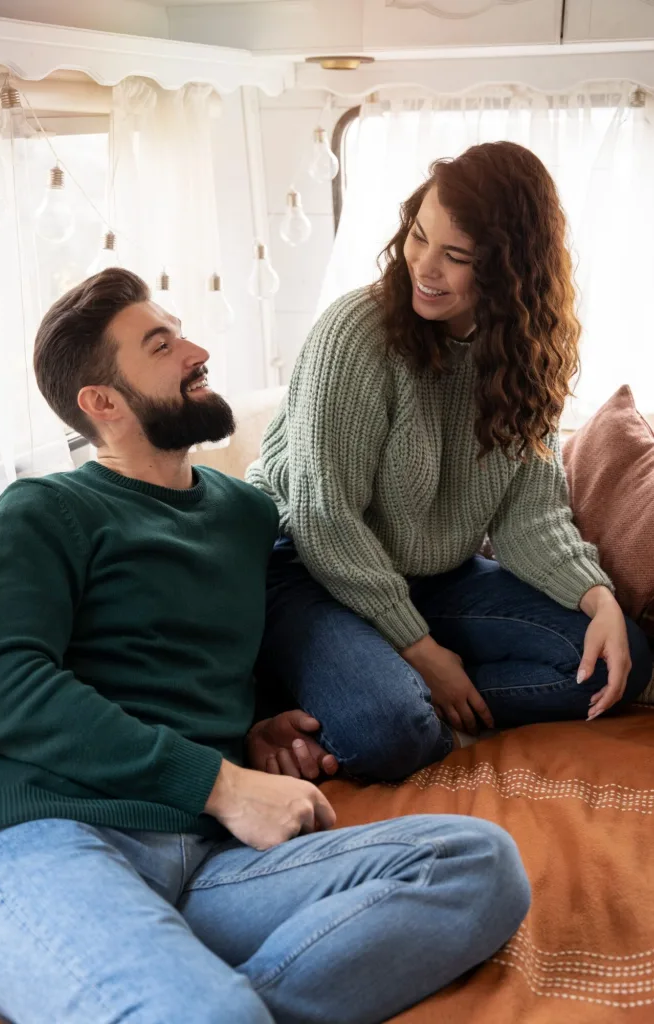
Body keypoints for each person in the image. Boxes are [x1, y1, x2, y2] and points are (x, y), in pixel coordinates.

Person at [0, 268, 530, 1024]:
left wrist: (259, 725)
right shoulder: (46, 510)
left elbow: (187, 654)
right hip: (42, 836)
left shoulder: (243, 515)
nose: (198, 351)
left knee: (479, 865)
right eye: (162, 345)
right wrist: (223, 784)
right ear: (103, 404)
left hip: (203, 857)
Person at [247, 141, 653, 783]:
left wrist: (596, 595)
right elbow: (323, 518)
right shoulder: (356, 332)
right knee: (389, 732)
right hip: (310, 568)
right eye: (418, 237)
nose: (424, 267)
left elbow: (531, 518)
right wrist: (423, 651)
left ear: (509, 272)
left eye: (455, 256)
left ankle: (383, 696)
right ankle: (354, 699)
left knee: (621, 656)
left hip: (432, 577)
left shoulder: (523, 358)